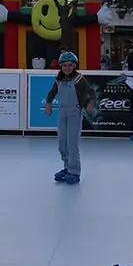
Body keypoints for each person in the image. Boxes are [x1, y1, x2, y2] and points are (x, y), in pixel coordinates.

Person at [43, 51, 96, 184]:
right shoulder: (59, 80)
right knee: (62, 143)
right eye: (64, 65)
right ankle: (67, 167)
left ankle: (74, 171)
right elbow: (52, 92)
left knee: (72, 143)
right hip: (62, 112)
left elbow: (91, 92)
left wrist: (91, 103)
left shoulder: (79, 79)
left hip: (74, 112)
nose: (67, 68)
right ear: (61, 66)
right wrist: (48, 104)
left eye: (70, 65)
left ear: (74, 66)